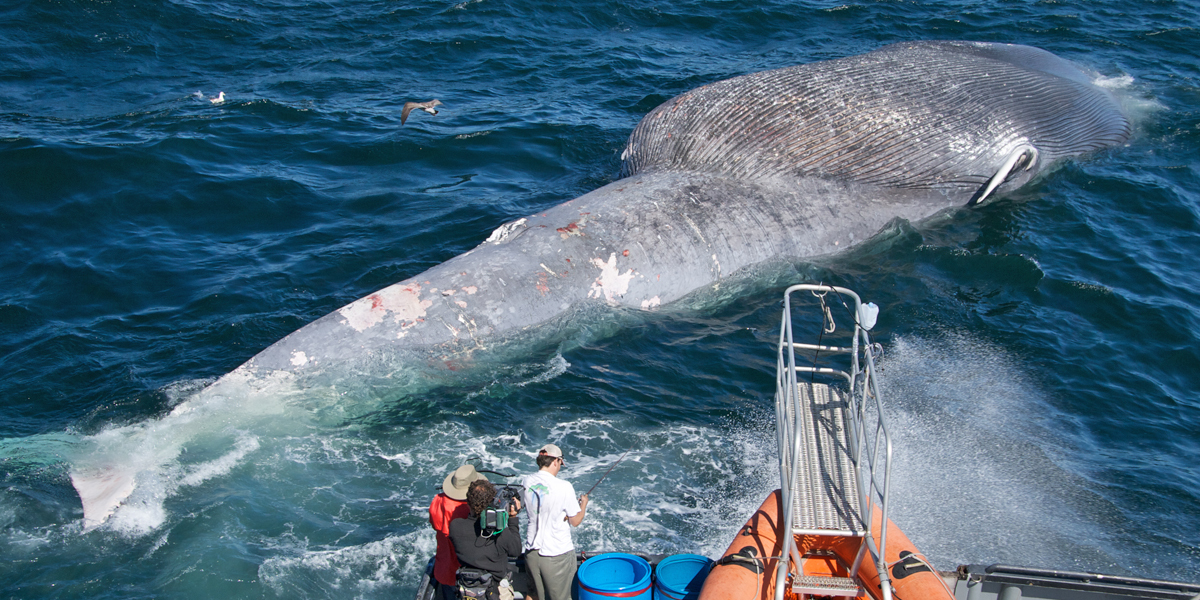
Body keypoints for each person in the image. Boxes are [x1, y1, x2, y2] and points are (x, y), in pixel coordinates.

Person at [521, 444, 588, 600]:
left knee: (533, 595)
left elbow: (541, 507)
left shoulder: (526, 481)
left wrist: (561, 514)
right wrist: (583, 504)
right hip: (556, 554)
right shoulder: (564, 486)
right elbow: (575, 521)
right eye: (560, 463)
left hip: (531, 552)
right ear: (556, 461)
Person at [448, 479, 523, 600]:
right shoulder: (499, 532)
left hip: (468, 589)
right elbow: (516, 550)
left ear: (468, 502)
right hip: (495, 590)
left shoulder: (455, 527)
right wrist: (513, 518)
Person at [430, 464, 487, 600]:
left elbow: (434, 524)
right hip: (470, 574)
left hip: (444, 569)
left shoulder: (437, 501)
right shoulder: (471, 508)